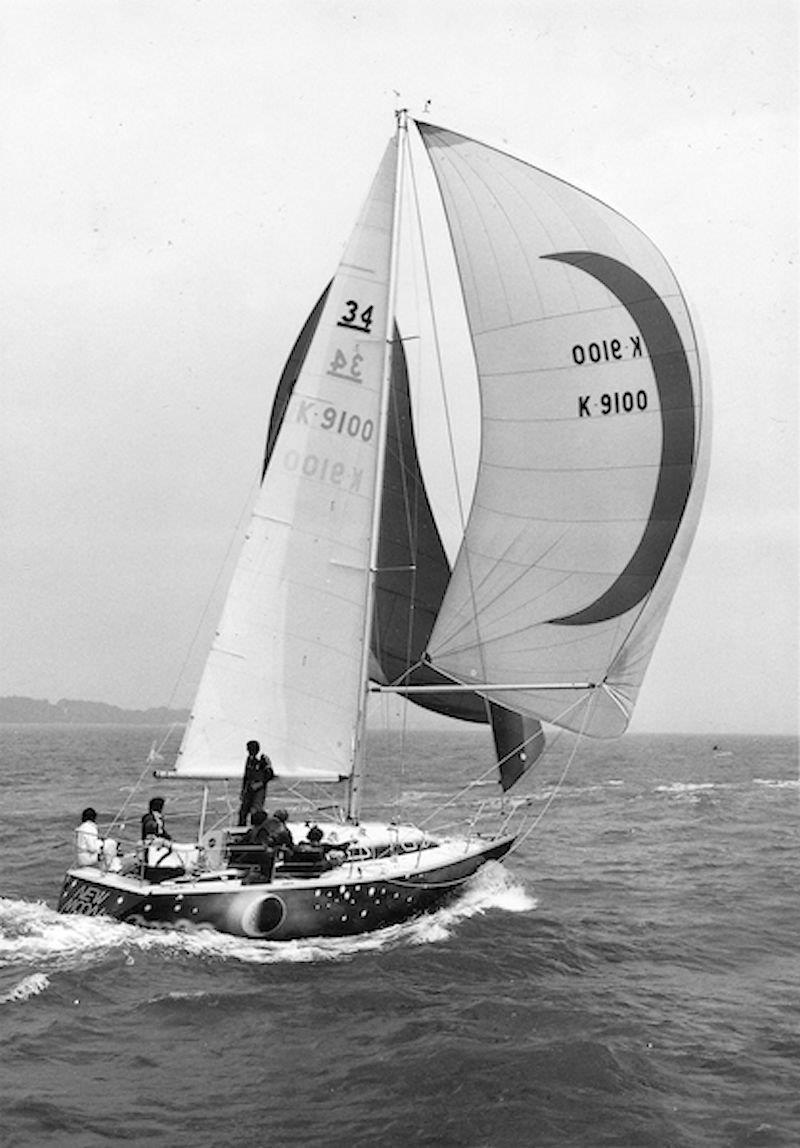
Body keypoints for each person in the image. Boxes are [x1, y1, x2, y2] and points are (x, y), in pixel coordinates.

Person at [229, 809, 275, 879]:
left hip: (246, 856)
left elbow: (241, 843)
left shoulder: (252, 831)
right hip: (253, 857)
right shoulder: (262, 832)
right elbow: (263, 845)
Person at [238, 739, 275, 825]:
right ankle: (241, 829)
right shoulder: (249, 759)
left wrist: (260, 783)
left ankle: (255, 830)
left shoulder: (263, 759)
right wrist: (243, 790)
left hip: (259, 788)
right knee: (243, 811)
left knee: (256, 810)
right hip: (249, 787)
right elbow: (246, 775)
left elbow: (270, 774)